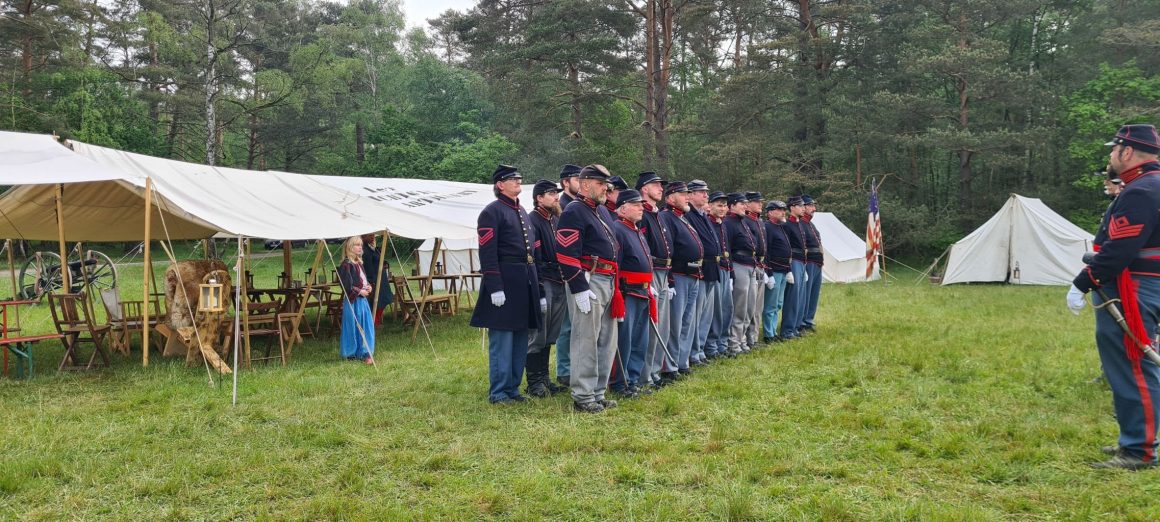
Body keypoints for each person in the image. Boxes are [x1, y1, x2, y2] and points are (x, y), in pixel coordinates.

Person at [1067, 124, 1160, 470]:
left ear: (1126, 151)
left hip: (1133, 286)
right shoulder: (1149, 185)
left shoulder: (1141, 190)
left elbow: (1120, 247)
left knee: (1131, 366)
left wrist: (1083, 281)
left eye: (1113, 149)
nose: (1110, 155)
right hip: (1140, 282)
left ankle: (1139, 451)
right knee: (1133, 365)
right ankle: (1138, 437)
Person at [469, 165, 543, 405]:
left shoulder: (521, 210)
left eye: (519, 178)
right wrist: (495, 285)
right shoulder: (492, 212)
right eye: (513, 179)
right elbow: (487, 252)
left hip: (524, 281)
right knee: (502, 341)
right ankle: (499, 392)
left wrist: (537, 288)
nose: (518, 181)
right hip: (505, 281)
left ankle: (513, 388)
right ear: (500, 184)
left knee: (521, 338)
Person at [557, 164, 621, 413]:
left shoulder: (602, 211)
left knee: (606, 340)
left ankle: (598, 392)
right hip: (589, 280)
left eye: (606, 183)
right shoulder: (574, 211)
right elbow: (565, 252)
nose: (605, 187)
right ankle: (583, 396)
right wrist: (578, 287)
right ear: (584, 185)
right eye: (600, 183)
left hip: (608, 279)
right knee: (586, 340)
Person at [525, 179, 568, 397]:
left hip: (559, 280)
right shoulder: (533, 220)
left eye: (556, 193)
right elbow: (535, 258)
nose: (556, 196)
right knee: (538, 334)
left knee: (551, 332)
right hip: (545, 281)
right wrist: (539, 287)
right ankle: (534, 383)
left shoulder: (554, 219)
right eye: (551, 193)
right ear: (539, 198)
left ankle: (544, 378)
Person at [609, 189, 653, 398]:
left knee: (639, 340)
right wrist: (616, 292)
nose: (641, 208)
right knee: (624, 341)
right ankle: (620, 383)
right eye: (636, 205)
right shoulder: (618, 229)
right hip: (627, 293)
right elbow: (616, 265)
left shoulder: (636, 230)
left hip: (643, 292)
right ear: (623, 208)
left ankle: (632, 379)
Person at [637, 172, 676, 389]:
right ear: (644, 188)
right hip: (651, 274)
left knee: (661, 327)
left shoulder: (657, 213)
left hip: (663, 272)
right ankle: (645, 375)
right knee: (650, 328)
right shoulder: (641, 213)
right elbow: (644, 248)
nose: (661, 188)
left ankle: (654, 372)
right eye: (656, 185)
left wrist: (669, 279)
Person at [660, 181, 702, 377]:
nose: (687, 196)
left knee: (687, 322)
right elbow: (668, 250)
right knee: (675, 324)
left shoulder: (683, 217)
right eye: (683, 193)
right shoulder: (666, 217)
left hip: (693, 274)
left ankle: (681, 362)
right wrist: (669, 279)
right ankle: (670, 366)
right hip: (679, 274)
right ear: (670, 198)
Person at [686, 180, 721, 365]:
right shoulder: (689, 215)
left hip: (712, 268)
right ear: (690, 195)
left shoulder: (703, 215)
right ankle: (693, 352)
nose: (706, 195)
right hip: (699, 267)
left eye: (706, 192)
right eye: (701, 192)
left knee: (706, 314)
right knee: (696, 315)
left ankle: (699, 349)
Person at [555, 163, 583, 387]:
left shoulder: (578, 205)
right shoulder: (561, 206)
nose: (580, 183)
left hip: (583, 270)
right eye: (576, 178)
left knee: (577, 324)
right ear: (566, 182)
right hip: (568, 271)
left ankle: (576, 366)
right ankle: (564, 369)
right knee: (567, 325)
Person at [724, 193, 756, 355]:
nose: (745, 206)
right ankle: (733, 343)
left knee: (750, 307)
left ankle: (742, 339)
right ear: (732, 205)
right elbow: (727, 248)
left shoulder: (743, 222)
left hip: (750, 265)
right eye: (741, 203)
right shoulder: (728, 223)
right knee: (740, 307)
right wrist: (730, 271)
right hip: (739, 264)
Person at [336, 236, 375, 364]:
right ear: (350, 248)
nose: (360, 247)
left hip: (362, 301)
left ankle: (365, 352)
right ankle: (351, 353)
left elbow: (362, 280)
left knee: (365, 326)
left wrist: (368, 286)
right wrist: (359, 291)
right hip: (353, 302)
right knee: (353, 327)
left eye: (360, 245)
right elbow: (347, 286)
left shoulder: (359, 263)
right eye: (357, 245)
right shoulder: (346, 265)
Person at [707, 191, 733, 358]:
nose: (722, 208)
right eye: (719, 205)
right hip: (715, 269)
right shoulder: (708, 223)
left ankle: (722, 343)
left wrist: (732, 274)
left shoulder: (723, 224)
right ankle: (712, 346)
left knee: (727, 308)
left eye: (724, 205)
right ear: (710, 206)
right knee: (715, 310)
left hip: (726, 269)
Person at [780, 196, 809, 340]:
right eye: (800, 206)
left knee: (800, 297)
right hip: (794, 261)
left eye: (804, 206)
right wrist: (789, 268)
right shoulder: (787, 225)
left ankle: (796, 326)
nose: (803, 208)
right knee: (792, 297)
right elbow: (787, 247)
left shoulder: (800, 224)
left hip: (802, 262)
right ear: (792, 208)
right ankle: (787, 330)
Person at [763, 200, 792, 342]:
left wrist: (788, 270)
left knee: (778, 304)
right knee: (771, 304)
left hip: (783, 269)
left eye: (783, 209)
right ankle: (769, 334)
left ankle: (773, 331)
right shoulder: (767, 227)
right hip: (774, 270)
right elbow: (766, 250)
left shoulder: (781, 227)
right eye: (779, 209)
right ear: (770, 212)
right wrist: (768, 272)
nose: (783, 212)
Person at [744, 192, 768, 349]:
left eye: (761, 201)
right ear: (748, 204)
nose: (760, 204)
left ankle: (754, 337)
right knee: (749, 306)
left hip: (760, 265)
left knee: (758, 307)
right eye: (757, 202)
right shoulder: (746, 221)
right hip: (750, 264)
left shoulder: (759, 222)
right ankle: (746, 338)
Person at [800, 195, 824, 333]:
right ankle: (802, 321)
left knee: (814, 294)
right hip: (808, 262)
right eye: (811, 206)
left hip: (817, 263)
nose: (814, 209)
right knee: (806, 293)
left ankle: (809, 319)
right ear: (804, 207)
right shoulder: (801, 224)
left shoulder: (811, 224)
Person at [359, 233, 394, 326]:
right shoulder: (363, 249)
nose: (373, 237)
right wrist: (370, 281)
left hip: (381, 278)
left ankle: (376, 321)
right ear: (363, 237)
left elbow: (378, 259)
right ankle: (373, 322)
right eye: (370, 235)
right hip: (373, 278)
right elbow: (366, 266)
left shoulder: (372, 248)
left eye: (373, 235)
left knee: (384, 299)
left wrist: (384, 263)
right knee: (375, 301)